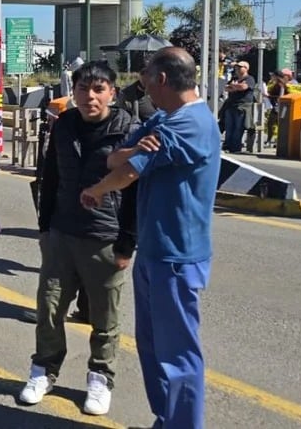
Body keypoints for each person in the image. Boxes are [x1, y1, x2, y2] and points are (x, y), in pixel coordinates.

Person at [79, 47, 220, 429]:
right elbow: (114, 157)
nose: (143, 90)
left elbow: (126, 172)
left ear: (161, 80)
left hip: (178, 255)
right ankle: (166, 418)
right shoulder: (163, 118)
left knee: (178, 353)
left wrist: (97, 191)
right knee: (153, 347)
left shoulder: (188, 124)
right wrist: (126, 155)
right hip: (154, 250)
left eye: (145, 81)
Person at [20, 61, 137, 416]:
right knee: (50, 307)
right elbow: (49, 177)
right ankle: (43, 370)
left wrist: (127, 243)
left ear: (112, 93)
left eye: (99, 89)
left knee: (105, 317)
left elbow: (135, 189)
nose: (90, 96)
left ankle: (100, 378)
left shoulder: (128, 130)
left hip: (105, 236)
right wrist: (44, 228)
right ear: (75, 92)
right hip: (62, 232)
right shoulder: (64, 124)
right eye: (84, 89)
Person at [221, 60, 255, 153]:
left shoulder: (249, 78)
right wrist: (235, 86)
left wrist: (234, 86)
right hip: (230, 105)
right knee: (229, 127)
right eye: (236, 67)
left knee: (238, 128)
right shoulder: (234, 78)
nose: (237, 69)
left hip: (242, 107)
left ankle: (235, 147)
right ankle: (227, 146)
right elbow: (227, 88)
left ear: (246, 68)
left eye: (240, 67)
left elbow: (244, 87)